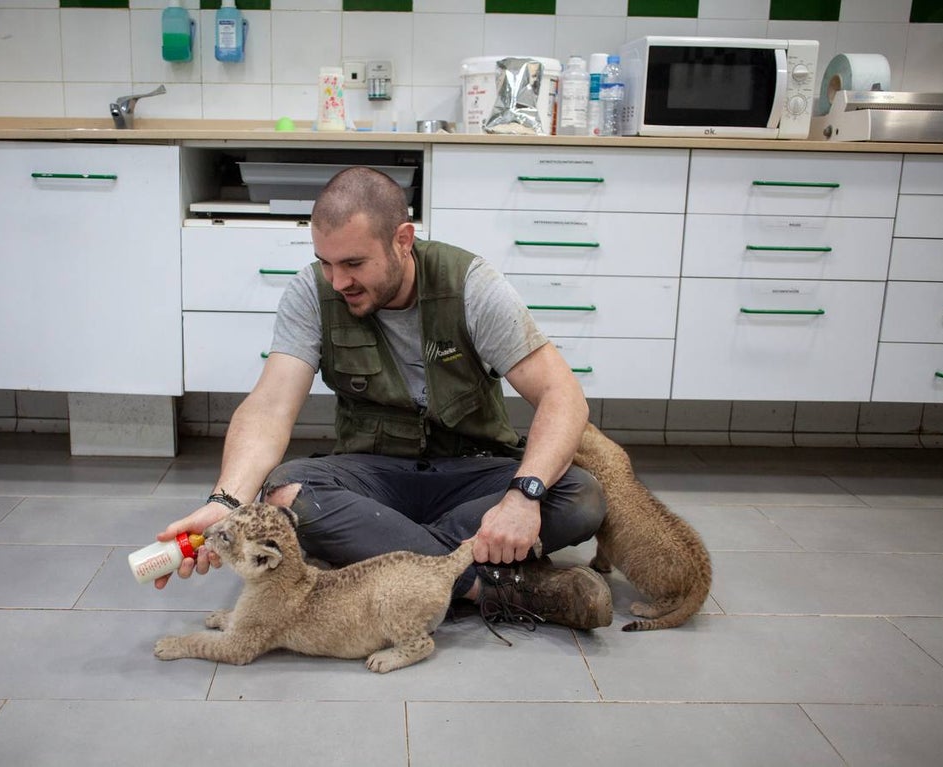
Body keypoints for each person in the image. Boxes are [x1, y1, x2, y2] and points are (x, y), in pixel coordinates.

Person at [155, 166, 612, 631]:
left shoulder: (471, 286)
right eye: (326, 262)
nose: (338, 281)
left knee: (581, 496)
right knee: (286, 494)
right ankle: (493, 589)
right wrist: (227, 502)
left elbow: (563, 395)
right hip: (374, 480)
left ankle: (374, 552)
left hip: (469, 475)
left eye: (354, 264)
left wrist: (522, 497)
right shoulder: (311, 294)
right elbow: (269, 407)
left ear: (403, 240)